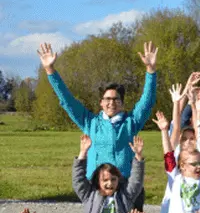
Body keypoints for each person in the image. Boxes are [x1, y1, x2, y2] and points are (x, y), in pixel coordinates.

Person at [37, 41, 158, 183]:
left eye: (116, 99)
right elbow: (67, 100)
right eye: (107, 99)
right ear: (101, 102)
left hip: (124, 186)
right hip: (95, 186)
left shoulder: (131, 122)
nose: (111, 103)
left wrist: (151, 70)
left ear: (122, 103)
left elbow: (147, 101)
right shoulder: (90, 123)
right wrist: (50, 70)